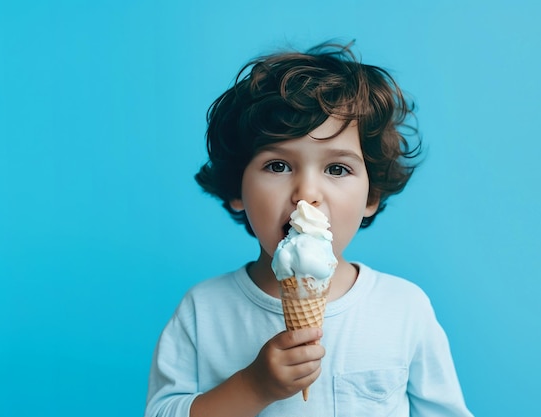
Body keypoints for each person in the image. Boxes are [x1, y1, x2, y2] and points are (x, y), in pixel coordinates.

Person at [145, 42, 474, 417]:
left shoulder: (404, 308)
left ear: (373, 195)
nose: (307, 193)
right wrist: (253, 387)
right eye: (278, 166)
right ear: (236, 188)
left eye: (337, 169)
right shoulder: (203, 311)